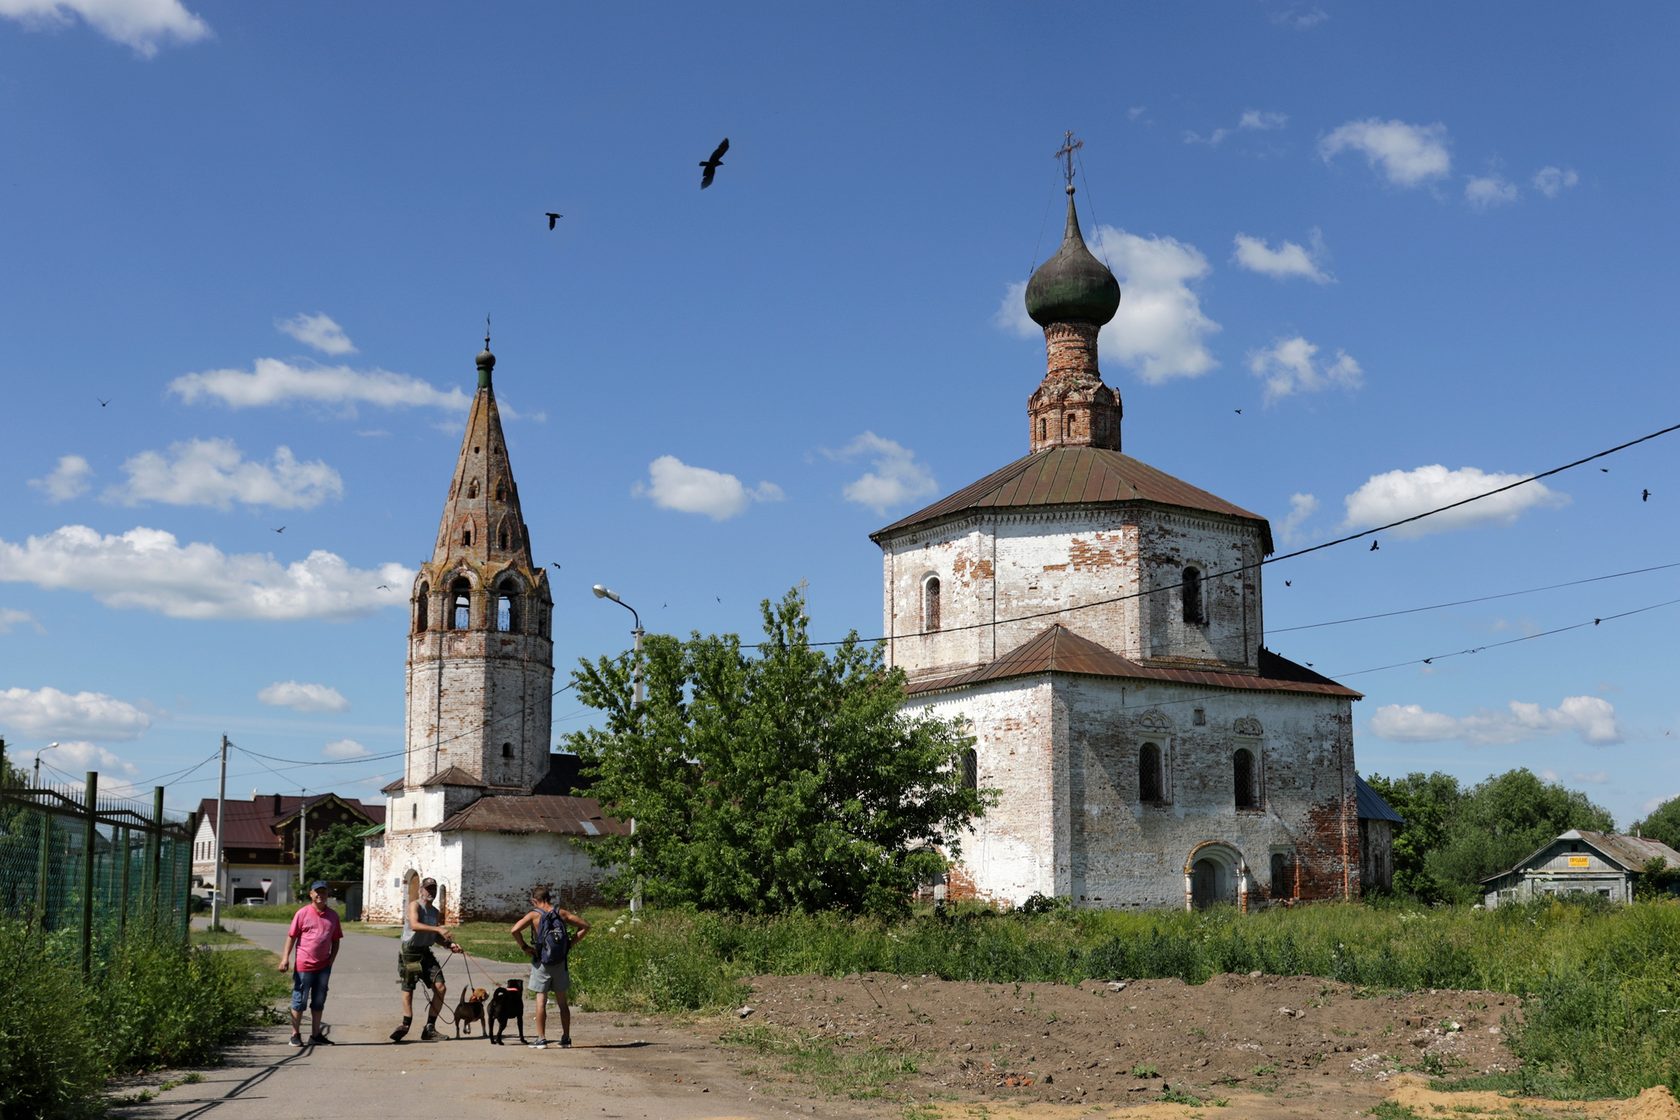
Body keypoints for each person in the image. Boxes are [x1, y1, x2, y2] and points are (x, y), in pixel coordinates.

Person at [509, 886, 589, 1050]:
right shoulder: (562, 913)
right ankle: (566, 1038)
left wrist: (524, 947)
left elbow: (514, 930)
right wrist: (569, 944)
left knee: (541, 1001)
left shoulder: (534, 915)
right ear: (549, 898)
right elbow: (586, 926)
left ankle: (541, 1039)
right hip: (560, 961)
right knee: (562, 1002)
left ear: (534, 900)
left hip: (542, 962)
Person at [390, 876, 461, 1042]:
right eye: (428, 889)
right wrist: (438, 929)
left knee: (441, 987)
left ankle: (430, 1028)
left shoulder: (435, 912)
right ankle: (405, 1024)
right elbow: (414, 925)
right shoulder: (415, 905)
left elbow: (434, 936)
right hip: (411, 953)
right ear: (421, 890)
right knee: (409, 988)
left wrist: (449, 945)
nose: (431, 892)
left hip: (426, 953)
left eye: (433, 889)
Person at [278, 880, 343, 1047]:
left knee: (319, 1000)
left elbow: (336, 940)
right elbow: (291, 936)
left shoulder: (333, 916)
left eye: (323, 892)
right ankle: (295, 1034)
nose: (320, 895)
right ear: (311, 894)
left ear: (327, 895)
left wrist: (331, 960)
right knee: (299, 1000)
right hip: (304, 966)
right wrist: (285, 958)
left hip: (323, 967)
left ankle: (315, 1035)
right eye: (317, 892)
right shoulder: (302, 913)